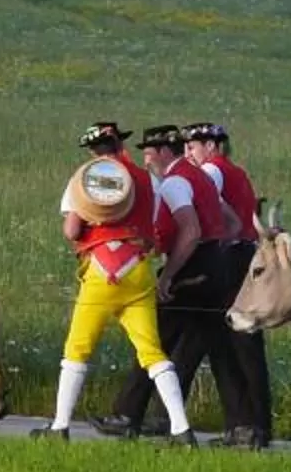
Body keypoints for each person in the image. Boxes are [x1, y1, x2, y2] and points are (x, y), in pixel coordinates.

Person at [35, 122, 194, 443]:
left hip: (102, 270)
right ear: (120, 144)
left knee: (78, 348)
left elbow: (72, 230)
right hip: (138, 270)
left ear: (93, 151)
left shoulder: (85, 178)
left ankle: (59, 426)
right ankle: (181, 429)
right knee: (152, 351)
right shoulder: (147, 179)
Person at [98, 125, 257, 442]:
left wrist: (169, 274)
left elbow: (191, 230)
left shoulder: (175, 182)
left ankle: (127, 415)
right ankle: (243, 427)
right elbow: (232, 222)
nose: (146, 160)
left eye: (148, 153)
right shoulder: (199, 178)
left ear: (162, 152)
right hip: (215, 267)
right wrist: (216, 256)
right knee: (221, 349)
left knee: (153, 340)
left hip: (190, 269)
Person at [190, 122, 272, 446]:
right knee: (244, 346)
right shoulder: (237, 172)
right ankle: (254, 425)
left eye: (193, 146)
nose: (189, 153)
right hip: (245, 256)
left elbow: (206, 211)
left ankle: (244, 424)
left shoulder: (211, 171)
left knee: (228, 346)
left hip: (229, 258)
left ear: (211, 146)